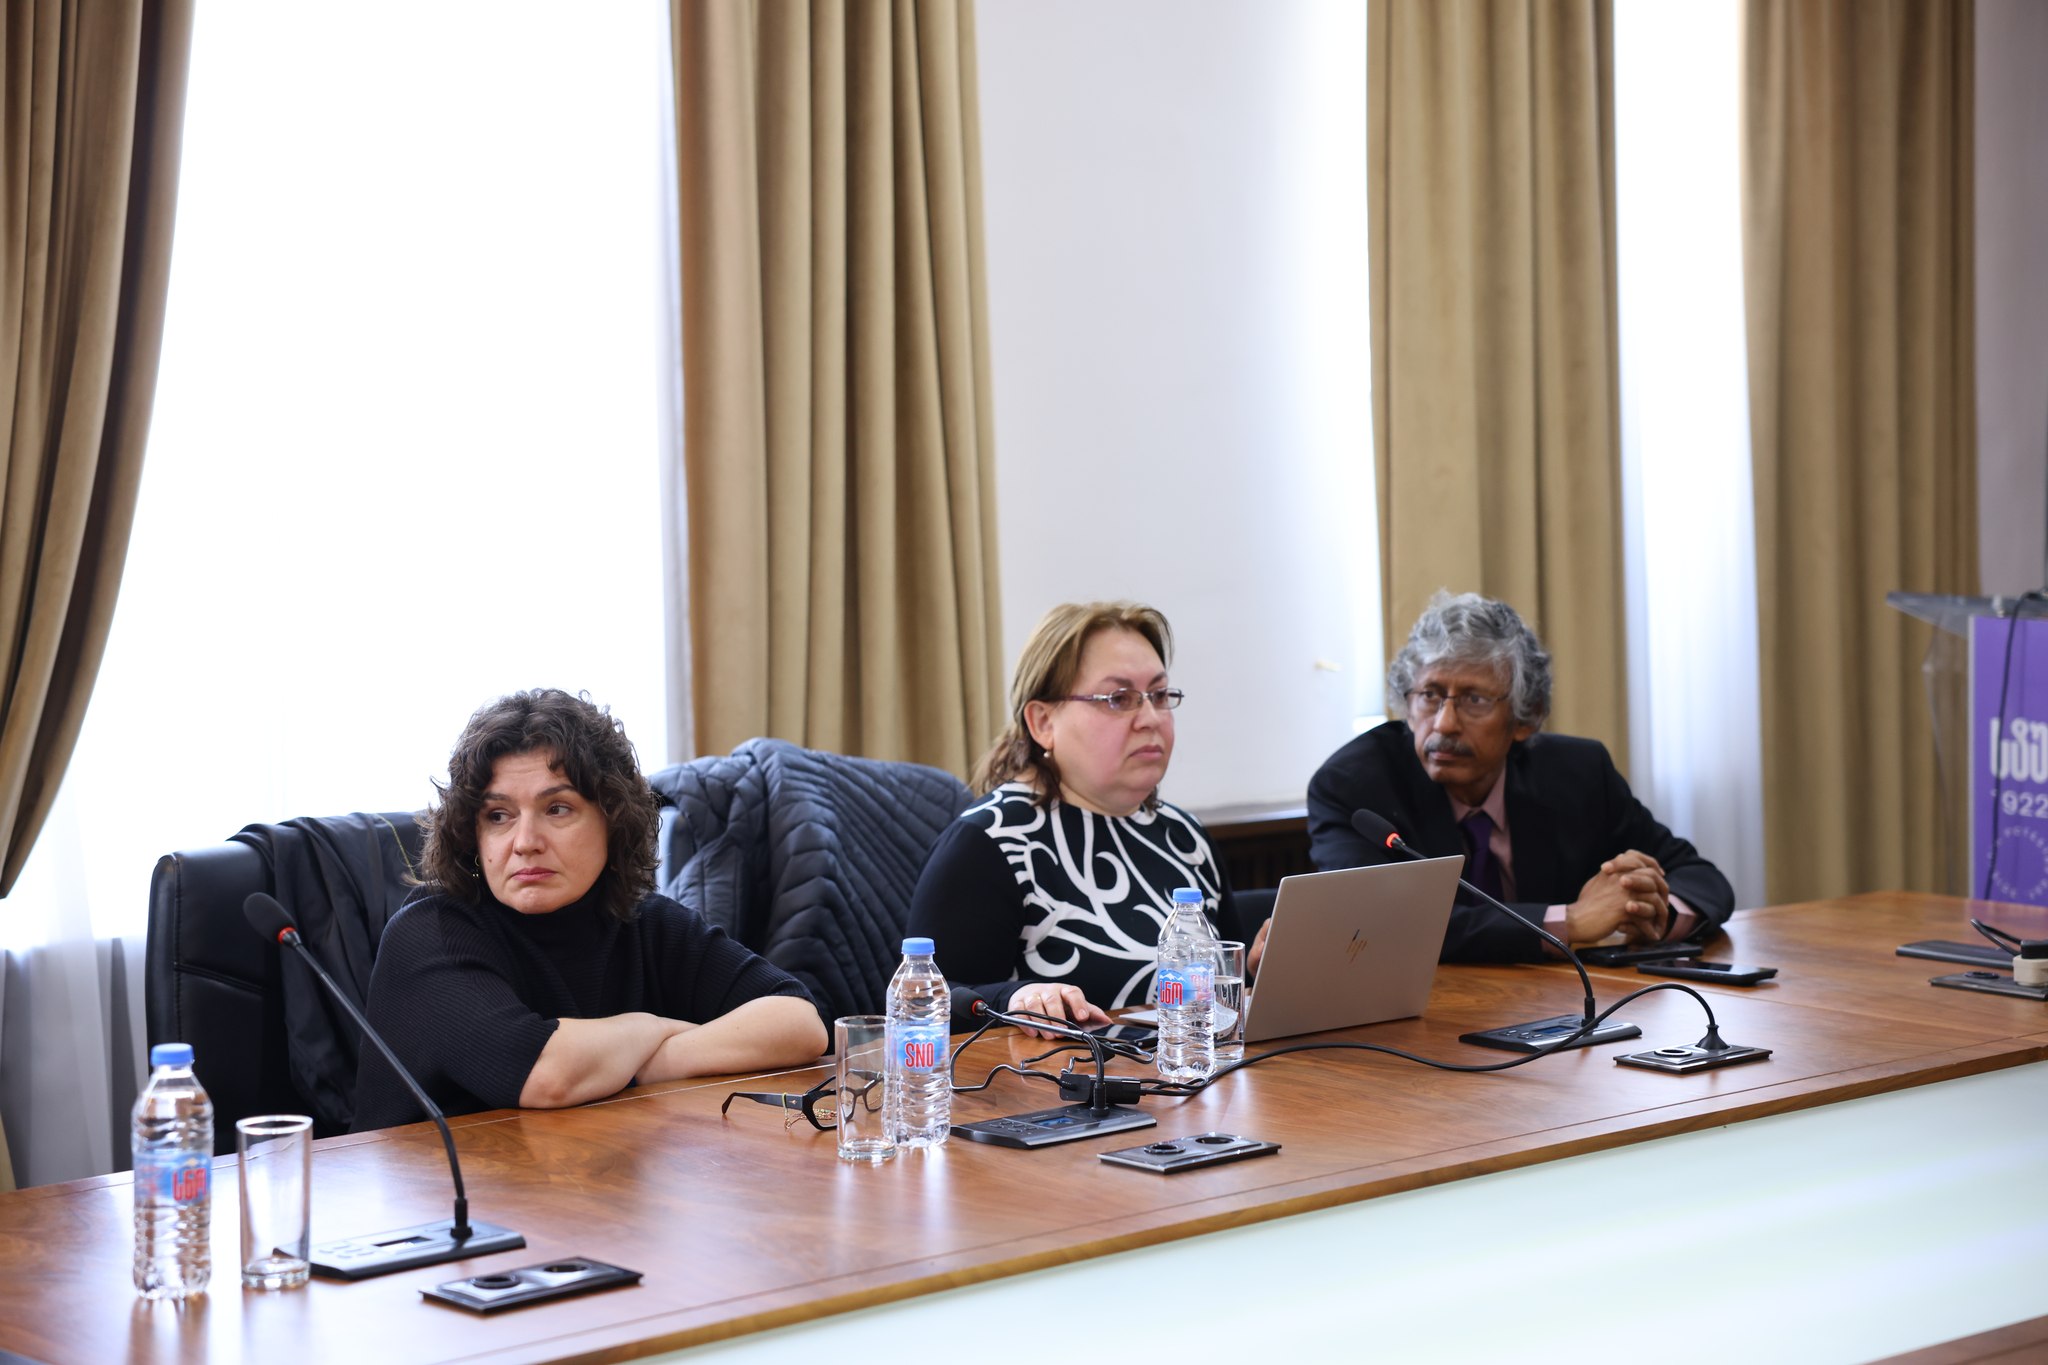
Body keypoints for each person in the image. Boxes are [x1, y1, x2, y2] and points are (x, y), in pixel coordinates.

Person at [352, 689, 827, 1130]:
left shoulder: (642, 920)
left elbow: (799, 1023)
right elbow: (547, 1076)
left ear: (613, 820)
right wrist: (649, 1029)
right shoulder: (429, 932)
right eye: (498, 816)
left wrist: (644, 1061)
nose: (525, 842)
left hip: (576, 1177)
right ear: (472, 836)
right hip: (437, 1192)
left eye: (557, 809)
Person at [1307, 591, 1734, 962]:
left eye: (1474, 699)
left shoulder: (1578, 772)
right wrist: (1571, 922)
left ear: (1526, 717)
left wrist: (1654, 914)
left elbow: (1699, 877)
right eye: (1430, 696)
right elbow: (1381, 925)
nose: (1444, 724)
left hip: (1561, 1006)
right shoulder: (1355, 787)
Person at [908, 601, 1261, 1035]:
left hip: (1195, 1073)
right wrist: (1014, 999)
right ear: (1043, 722)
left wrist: (1254, 971)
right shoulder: (991, 843)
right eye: (1119, 699)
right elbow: (922, 1002)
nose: (1150, 718)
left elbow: (1212, 1008)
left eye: (1159, 695)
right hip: (1057, 1077)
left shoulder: (1186, 838)